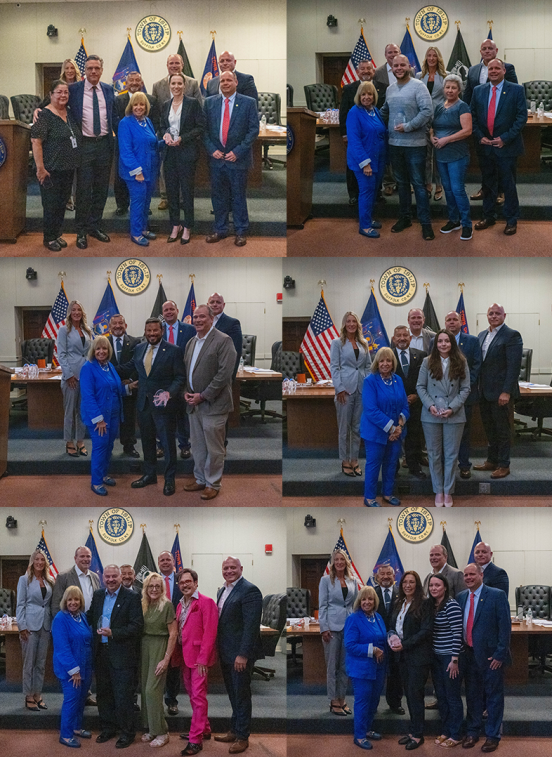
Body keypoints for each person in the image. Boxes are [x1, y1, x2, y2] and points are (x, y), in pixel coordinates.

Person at [116, 317, 186, 496]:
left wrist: (169, 393)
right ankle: (150, 474)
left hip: (164, 405)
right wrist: (102, 366)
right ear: (145, 332)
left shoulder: (173, 351)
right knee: (147, 442)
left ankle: (169, 479)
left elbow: (180, 377)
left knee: (167, 443)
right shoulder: (139, 348)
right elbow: (129, 367)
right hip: (143, 404)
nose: (152, 334)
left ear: (162, 331)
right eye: (149, 331)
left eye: (155, 330)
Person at [183, 305, 237, 500]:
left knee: (214, 448)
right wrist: (186, 393)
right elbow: (187, 372)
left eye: (202, 317)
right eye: (195, 317)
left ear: (212, 319)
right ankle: (200, 479)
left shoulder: (223, 340)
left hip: (214, 404)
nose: (197, 320)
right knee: (197, 446)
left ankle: (213, 483)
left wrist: (203, 395)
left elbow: (224, 375)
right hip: (194, 404)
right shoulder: (191, 342)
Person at [87, 564, 144, 748]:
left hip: (122, 655)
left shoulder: (132, 596)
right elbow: (89, 616)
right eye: (107, 577)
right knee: (103, 695)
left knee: (123, 697)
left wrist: (114, 633)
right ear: (103, 578)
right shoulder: (98, 595)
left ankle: (127, 733)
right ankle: (108, 728)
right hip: (101, 654)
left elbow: (136, 626)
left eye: (114, 576)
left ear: (121, 577)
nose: (110, 580)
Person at [457, 564, 511, 753]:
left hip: (491, 658)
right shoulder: (461, 597)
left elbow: (505, 627)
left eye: (472, 574)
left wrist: (500, 654)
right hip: (469, 655)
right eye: (466, 575)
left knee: (494, 698)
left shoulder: (496, 595)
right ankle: (472, 732)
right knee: (472, 697)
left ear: (481, 575)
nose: (469, 577)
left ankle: (492, 736)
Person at [379, 54, 434, 240]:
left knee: (418, 185)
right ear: (391, 67)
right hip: (395, 144)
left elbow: (428, 111)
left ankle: (425, 223)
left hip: (415, 145)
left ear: (410, 66)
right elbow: (385, 111)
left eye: (403, 64)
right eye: (396, 65)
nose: (399, 68)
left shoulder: (419, 86)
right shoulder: (390, 89)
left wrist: (409, 127)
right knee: (401, 184)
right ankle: (405, 218)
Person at [470, 58, 528, 236]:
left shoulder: (516, 90)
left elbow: (521, 118)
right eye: (490, 68)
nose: (493, 71)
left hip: (506, 146)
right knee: (488, 184)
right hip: (485, 146)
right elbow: (472, 115)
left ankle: (511, 220)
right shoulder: (478, 91)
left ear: (504, 70)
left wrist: (505, 138)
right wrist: (480, 137)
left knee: (508, 185)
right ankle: (488, 216)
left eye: (497, 68)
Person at [203, 71, 259, 246]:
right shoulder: (209, 103)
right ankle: (220, 229)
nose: (225, 83)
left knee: (238, 196)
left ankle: (241, 231)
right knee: (218, 197)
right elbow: (203, 130)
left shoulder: (248, 103)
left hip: (238, 159)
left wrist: (238, 151)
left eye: (229, 80)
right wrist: (212, 150)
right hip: (217, 159)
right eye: (222, 80)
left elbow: (253, 130)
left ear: (236, 82)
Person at [67, 55, 117, 250]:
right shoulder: (74, 90)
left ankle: (94, 225)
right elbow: (55, 102)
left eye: (97, 68)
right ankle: (81, 230)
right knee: (83, 190)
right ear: (85, 71)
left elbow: (113, 116)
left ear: (102, 70)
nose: (93, 72)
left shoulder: (108, 89)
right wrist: (40, 110)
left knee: (101, 188)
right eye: (90, 68)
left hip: (105, 144)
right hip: (84, 145)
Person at [416, 329, 471, 506]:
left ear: (452, 343)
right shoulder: (427, 361)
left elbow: (465, 389)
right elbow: (420, 387)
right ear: (435, 344)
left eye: (447, 341)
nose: (443, 344)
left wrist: (452, 408)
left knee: (451, 455)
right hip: (431, 414)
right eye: (440, 341)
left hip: (454, 415)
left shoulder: (461, 361)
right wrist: (430, 406)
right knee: (434, 454)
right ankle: (438, 490)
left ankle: (448, 491)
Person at [215, 556, 263, 754]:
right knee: (233, 694)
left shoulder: (250, 590)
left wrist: (243, 654)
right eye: (225, 568)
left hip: (239, 655)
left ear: (241, 568)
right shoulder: (222, 590)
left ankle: (243, 736)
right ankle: (234, 730)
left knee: (241, 695)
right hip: (226, 652)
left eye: (232, 567)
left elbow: (251, 627)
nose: (229, 571)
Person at [31, 80, 82, 251]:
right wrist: (40, 168)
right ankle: (49, 237)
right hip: (50, 170)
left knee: (61, 204)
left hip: (68, 168)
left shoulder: (69, 112)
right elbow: (36, 142)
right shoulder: (43, 115)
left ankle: (57, 234)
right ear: (51, 95)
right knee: (51, 205)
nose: (63, 95)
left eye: (66, 92)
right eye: (59, 92)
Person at [172, 568, 219, 756]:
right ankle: (204, 729)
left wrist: (203, 659)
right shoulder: (179, 604)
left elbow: (210, 633)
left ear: (196, 582)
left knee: (198, 697)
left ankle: (196, 739)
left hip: (199, 659)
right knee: (193, 696)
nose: (185, 585)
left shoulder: (206, 602)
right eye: (181, 582)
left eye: (188, 581)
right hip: (185, 657)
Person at [474, 304, 523, 479]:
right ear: (487, 316)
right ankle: (491, 461)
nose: (494, 316)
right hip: (484, 392)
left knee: (502, 430)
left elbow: (513, 367)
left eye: (497, 313)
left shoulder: (511, 335)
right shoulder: (481, 335)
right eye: (491, 313)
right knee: (489, 428)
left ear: (504, 315)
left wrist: (506, 392)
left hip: (500, 393)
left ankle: (504, 464)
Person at [152, 53, 203, 211]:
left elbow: (199, 107)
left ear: (182, 65)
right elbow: (155, 110)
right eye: (171, 63)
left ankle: (182, 199)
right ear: (167, 65)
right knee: (164, 169)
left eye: (177, 63)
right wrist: (163, 133)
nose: (174, 66)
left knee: (184, 173)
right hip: (166, 137)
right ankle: (165, 197)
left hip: (186, 138)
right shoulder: (157, 85)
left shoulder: (192, 83)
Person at [389, 571, 433, 750]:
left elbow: (425, 631)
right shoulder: (399, 602)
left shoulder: (425, 603)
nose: (408, 585)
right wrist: (391, 635)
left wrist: (404, 645)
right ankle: (412, 730)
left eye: (412, 582)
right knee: (409, 694)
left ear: (417, 584)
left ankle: (418, 735)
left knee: (416, 696)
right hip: (402, 657)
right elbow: (393, 625)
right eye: (405, 582)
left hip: (418, 657)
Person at [360, 347, 409, 507]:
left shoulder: (398, 380)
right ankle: (369, 498)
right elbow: (371, 410)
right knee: (374, 465)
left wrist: (399, 425)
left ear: (393, 362)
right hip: (375, 433)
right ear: (377, 363)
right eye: (382, 360)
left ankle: (388, 494)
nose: (385, 364)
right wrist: (391, 428)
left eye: (388, 360)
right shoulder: (370, 381)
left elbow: (404, 407)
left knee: (391, 464)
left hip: (396, 432)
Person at [160, 72, 205, 244]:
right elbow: (163, 125)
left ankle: (187, 226)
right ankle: (175, 224)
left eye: (179, 83)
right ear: (169, 85)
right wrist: (165, 134)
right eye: (173, 84)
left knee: (186, 192)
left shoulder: (192, 104)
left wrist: (182, 138)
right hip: (170, 153)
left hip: (186, 152)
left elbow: (200, 127)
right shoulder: (165, 104)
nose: (176, 87)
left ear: (184, 86)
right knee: (171, 191)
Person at [79, 336, 125, 496]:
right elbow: (88, 396)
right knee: (100, 448)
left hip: (113, 414)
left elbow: (114, 388)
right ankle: (96, 482)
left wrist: (130, 388)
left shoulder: (109, 366)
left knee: (109, 446)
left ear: (108, 350)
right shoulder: (88, 368)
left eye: (104, 348)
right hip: (99, 418)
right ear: (93, 350)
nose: (101, 351)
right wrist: (98, 420)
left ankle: (104, 475)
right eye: (98, 348)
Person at [344, 586, 387, 751]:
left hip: (379, 667)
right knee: (362, 703)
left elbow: (382, 637)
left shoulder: (378, 617)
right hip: (361, 669)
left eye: (370, 599)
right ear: (359, 602)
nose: (367, 602)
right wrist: (373, 650)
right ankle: (359, 736)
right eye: (364, 599)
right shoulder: (353, 619)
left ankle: (368, 729)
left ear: (375, 601)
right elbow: (350, 645)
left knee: (374, 702)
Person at [430, 74, 473, 240]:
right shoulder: (440, 106)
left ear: (459, 90)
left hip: (457, 155)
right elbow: (432, 127)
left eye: (453, 87)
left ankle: (467, 224)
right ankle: (454, 220)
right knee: (447, 189)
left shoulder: (462, 107)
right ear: (443, 89)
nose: (450, 90)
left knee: (457, 189)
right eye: (447, 87)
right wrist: (432, 136)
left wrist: (447, 139)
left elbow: (467, 130)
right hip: (441, 155)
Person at [330, 311, 371, 477]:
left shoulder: (364, 343)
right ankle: (345, 460)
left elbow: (368, 366)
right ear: (344, 324)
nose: (351, 324)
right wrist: (339, 388)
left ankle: (354, 459)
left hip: (361, 389)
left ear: (358, 324)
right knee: (344, 428)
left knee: (357, 428)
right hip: (344, 390)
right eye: (348, 321)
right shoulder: (337, 343)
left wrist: (368, 385)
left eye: (354, 321)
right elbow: (334, 366)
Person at [441, 312, 482, 479]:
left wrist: (462, 387)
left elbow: (476, 367)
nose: (452, 322)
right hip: (443, 396)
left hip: (465, 396)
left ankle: (464, 465)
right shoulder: (439, 340)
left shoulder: (472, 341)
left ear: (460, 321)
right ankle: (445, 464)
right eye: (448, 319)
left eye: (454, 319)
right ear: (445, 322)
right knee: (443, 433)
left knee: (464, 432)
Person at [114, 71, 160, 216]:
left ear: (141, 83)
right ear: (126, 83)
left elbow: (155, 122)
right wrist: (127, 135)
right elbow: (114, 120)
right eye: (131, 80)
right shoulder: (118, 100)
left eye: (137, 81)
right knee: (121, 177)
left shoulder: (152, 100)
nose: (134, 83)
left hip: (144, 147)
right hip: (125, 144)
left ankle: (144, 204)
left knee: (145, 177)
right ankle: (122, 205)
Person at [51, 586, 93, 748]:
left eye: (76, 599)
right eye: (70, 599)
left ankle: (76, 727)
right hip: (70, 669)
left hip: (86, 666)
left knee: (81, 699)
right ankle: (66, 735)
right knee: (72, 699)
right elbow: (62, 648)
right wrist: (74, 671)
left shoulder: (81, 616)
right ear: (65, 601)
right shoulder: (61, 618)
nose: (73, 602)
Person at [318, 549, 359, 716]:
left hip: (348, 627)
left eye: (342, 559)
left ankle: (342, 698)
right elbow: (322, 606)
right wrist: (324, 628)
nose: (339, 562)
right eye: (336, 559)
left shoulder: (353, 581)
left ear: (346, 562)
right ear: (333, 562)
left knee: (344, 666)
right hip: (331, 627)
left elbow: (354, 605)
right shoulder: (326, 580)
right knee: (332, 666)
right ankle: (333, 700)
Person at [117, 92, 161, 247]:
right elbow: (126, 151)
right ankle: (135, 233)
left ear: (146, 106)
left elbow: (152, 143)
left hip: (150, 169)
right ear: (131, 106)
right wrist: (137, 171)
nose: (139, 107)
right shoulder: (125, 123)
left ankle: (143, 228)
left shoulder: (147, 121)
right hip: (135, 172)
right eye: (135, 104)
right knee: (137, 202)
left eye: (142, 104)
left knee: (146, 201)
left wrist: (166, 141)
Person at [346, 81, 388, 238]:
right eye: (363, 94)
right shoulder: (354, 112)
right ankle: (364, 226)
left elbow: (380, 132)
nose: (366, 97)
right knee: (366, 192)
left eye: (370, 94)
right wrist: (365, 163)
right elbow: (354, 141)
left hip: (378, 159)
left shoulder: (374, 111)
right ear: (359, 96)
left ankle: (368, 219)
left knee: (373, 191)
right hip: (364, 163)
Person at [140, 573, 177, 748]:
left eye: (157, 586)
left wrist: (166, 659)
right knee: (144, 691)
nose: (154, 589)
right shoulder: (144, 605)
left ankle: (162, 731)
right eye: (150, 586)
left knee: (152, 691)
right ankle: (151, 728)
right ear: (146, 588)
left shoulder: (167, 605)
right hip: (145, 647)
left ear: (162, 588)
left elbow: (173, 634)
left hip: (160, 646)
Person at [427, 574, 463, 748]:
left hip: (450, 658)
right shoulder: (432, 606)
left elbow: (458, 633)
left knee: (452, 697)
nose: (434, 588)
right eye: (431, 585)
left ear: (445, 587)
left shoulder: (451, 605)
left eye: (437, 585)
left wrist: (454, 659)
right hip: (436, 657)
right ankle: (446, 730)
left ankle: (456, 734)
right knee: (441, 696)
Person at [16, 549, 54, 712]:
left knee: (40, 664)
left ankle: (38, 694)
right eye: (36, 559)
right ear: (32, 562)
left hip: (46, 625)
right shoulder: (24, 580)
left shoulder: (49, 580)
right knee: (29, 663)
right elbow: (20, 604)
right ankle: (28, 695)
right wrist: (22, 626)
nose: (39, 562)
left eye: (42, 559)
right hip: (29, 626)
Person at [56, 300, 93, 459]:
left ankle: (80, 441)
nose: (76, 312)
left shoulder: (88, 330)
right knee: (70, 411)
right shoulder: (64, 330)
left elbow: (91, 352)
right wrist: (69, 374)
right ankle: (69, 442)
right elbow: (61, 355)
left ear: (82, 313)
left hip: (86, 376)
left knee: (82, 411)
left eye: (79, 309)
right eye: (73, 310)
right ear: (69, 313)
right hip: (71, 376)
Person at [161, 300, 196, 460]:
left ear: (177, 310)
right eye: (166, 310)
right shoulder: (158, 329)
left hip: (182, 378)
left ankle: (184, 446)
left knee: (182, 414)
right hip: (162, 379)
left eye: (171, 309)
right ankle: (161, 446)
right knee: (162, 415)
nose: (169, 312)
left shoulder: (189, 329)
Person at [391, 326, 427, 479]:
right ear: (393, 339)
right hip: (394, 404)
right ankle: (393, 468)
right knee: (394, 436)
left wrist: (417, 395)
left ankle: (414, 466)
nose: (402, 338)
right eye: (398, 336)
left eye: (405, 335)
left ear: (410, 338)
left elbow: (425, 379)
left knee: (414, 435)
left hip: (415, 403)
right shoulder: (387, 356)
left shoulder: (421, 355)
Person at [339, 60, 376, 206]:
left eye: (369, 68)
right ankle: (353, 194)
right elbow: (343, 113)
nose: (366, 71)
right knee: (354, 165)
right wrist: (344, 134)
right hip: (355, 135)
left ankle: (375, 194)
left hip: (372, 137)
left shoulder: (380, 87)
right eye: (362, 69)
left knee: (374, 165)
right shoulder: (349, 88)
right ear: (357, 71)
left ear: (373, 70)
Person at [416, 47, 447, 202]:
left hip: (440, 120)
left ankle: (439, 185)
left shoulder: (445, 76)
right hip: (423, 120)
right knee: (426, 155)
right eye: (429, 55)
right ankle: (428, 184)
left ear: (438, 58)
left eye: (435, 55)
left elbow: (450, 97)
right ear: (426, 58)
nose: (432, 58)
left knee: (438, 155)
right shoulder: (418, 76)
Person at [108, 314, 141, 459]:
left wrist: (130, 379)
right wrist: (114, 380)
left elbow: (137, 363)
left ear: (125, 326)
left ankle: (129, 446)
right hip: (109, 386)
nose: (117, 326)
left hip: (130, 384)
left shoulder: (135, 342)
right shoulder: (104, 343)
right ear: (109, 327)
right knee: (109, 417)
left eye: (120, 323)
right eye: (114, 324)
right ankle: (107, 448)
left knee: (128, 416)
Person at [374, 565, 404, 715]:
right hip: (376, 639)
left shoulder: (402, 592)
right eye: (382, 574)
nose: (385, 577)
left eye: (389, 574)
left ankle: (395, 703)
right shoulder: (372, 593)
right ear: (377, 577)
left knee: (396, 673)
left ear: (394, 576)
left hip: (396, 640)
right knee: (376, 672)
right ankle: (373, 704)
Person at [157, 551, 183, 717]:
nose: (165, 562)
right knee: (156, 667)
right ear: (158, 563)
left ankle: (172, 701)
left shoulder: (181, 580)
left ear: (173, 562)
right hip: (157, 631)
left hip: (177, 629)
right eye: (162, 560)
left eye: (168, 559)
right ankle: (155, 702)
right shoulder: (153, 580)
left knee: (174, 668)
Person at [373, 42, 401, 196]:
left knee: (401, 151)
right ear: (385, 55)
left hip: (404, 116)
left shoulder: (408, 70)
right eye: (389, 52)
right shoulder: (378, 73)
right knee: (386, 152)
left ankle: (403, 182)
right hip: (385, 117)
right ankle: (388, 183)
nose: (392, 54)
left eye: (395, 51)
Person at [52, 546, 101, 616]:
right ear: (75, 559)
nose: (85, 559)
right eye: (82, 556)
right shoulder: (63, 577)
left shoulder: (95, 577)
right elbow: (56, 604)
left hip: (91, 622)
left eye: (88, 556)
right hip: (71, 622)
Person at [208, 292, 243, 379]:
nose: (215, 305)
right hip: (205, 374)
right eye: (212, 302)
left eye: (218, 302)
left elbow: (236, 352)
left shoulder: (232, 323)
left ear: (223, 305)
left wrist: (230, 377)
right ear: (207, 305)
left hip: (222, 374)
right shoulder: (203, 322)